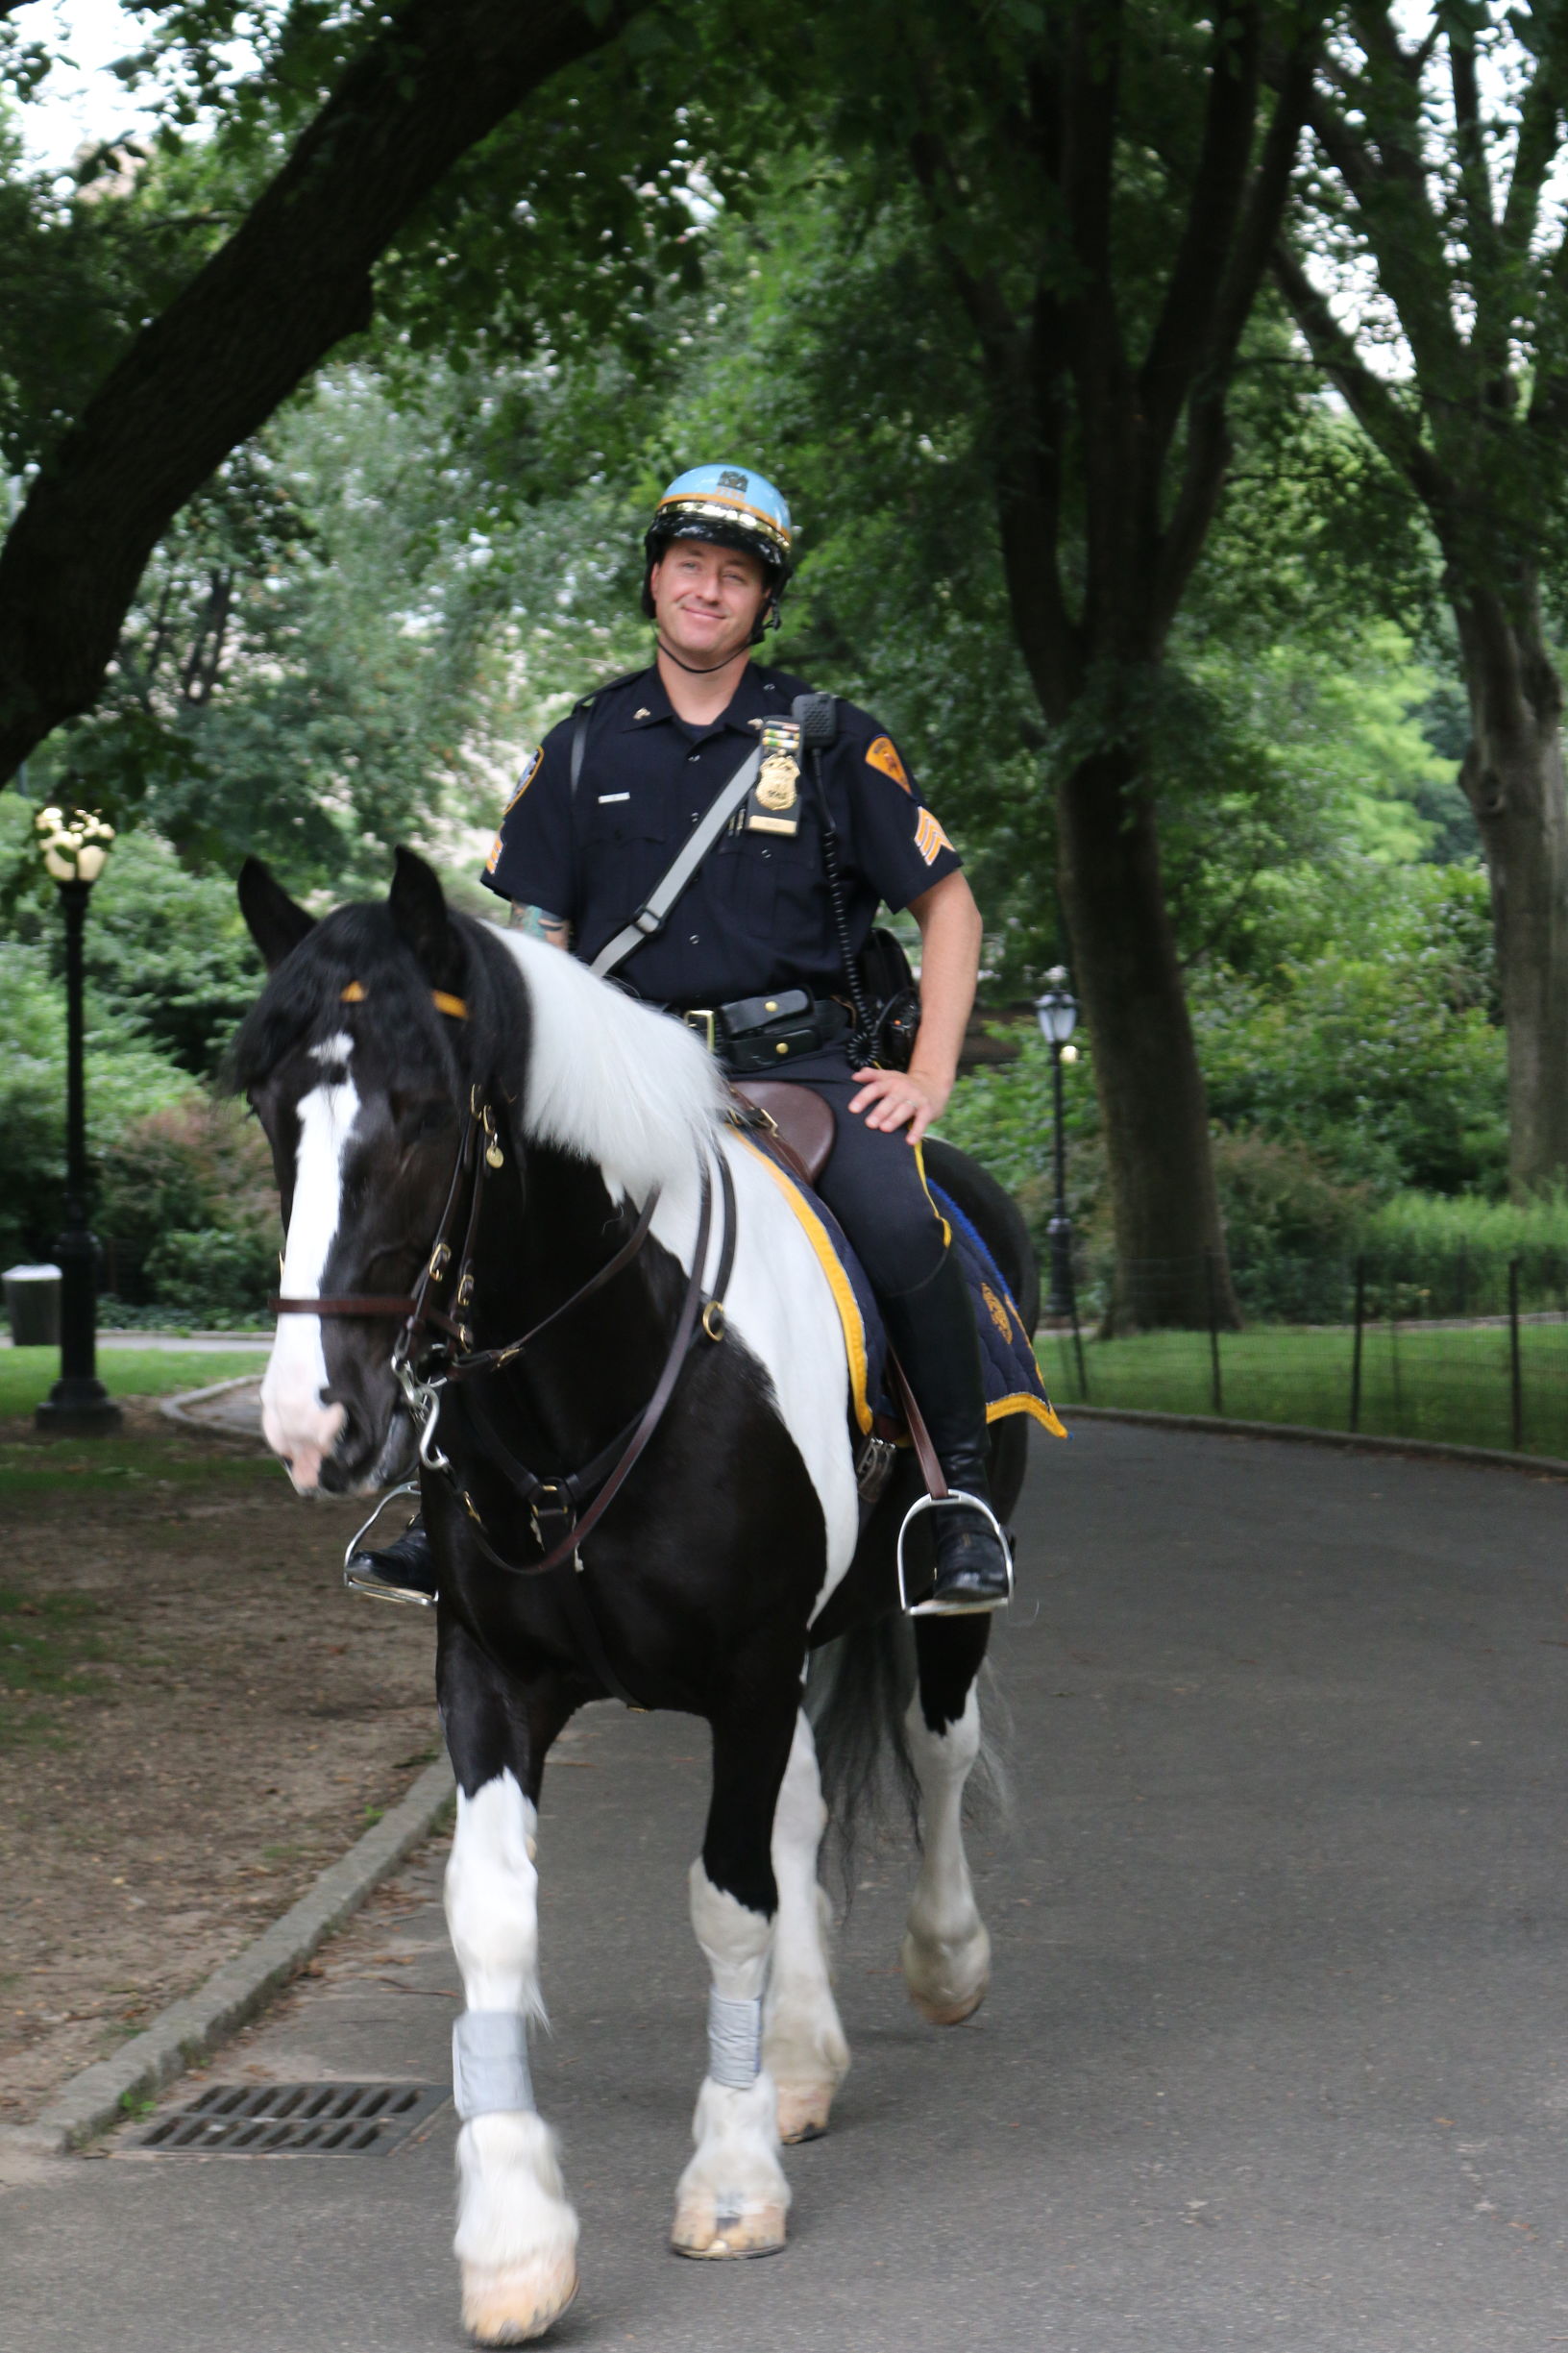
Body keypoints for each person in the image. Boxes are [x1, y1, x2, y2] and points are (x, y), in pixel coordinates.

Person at [351, 463, 1011, 1613]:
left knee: (907, 1226)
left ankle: (956, 1510)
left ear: (763, 601)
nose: (709, 590)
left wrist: (928, 1075)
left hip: (801, 1070)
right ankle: (436, 1495)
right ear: (655, 579)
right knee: (478, 1223)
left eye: (737, 575)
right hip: (622, 1073)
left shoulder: (834, 740)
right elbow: (539, 931)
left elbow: (948, 906)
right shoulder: (584, 745)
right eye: (690, 566)